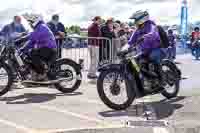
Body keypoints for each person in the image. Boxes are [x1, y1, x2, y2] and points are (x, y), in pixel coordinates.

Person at [128, 10, 164, 78]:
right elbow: (131, 41)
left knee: (152, 57)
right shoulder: (137, 29)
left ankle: (161, 78)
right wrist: (124, 48)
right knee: (135, 61)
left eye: (135, 19)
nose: (134, 22)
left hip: (156, 49)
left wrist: (144, 36)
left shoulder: (151, 25)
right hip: (144, 51)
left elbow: (153, 34)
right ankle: (144, 78)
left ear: (141, 19)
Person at [22, 13, 57, 81]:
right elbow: (32, 41)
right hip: (46, 48)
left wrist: (21, 42)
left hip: (49, 49)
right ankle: (35, 73)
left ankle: (42, 73)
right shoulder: (38, 27)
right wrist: (23, 48)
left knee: (33, 54)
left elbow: (32, 37)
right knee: (29, 54)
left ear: (35, 21)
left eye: (31, 22)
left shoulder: (41, 27)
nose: (30, 24)